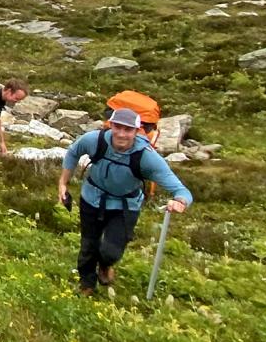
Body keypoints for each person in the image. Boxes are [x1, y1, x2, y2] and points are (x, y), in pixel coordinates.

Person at [59, 105, 192, 295]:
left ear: (137, 131)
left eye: (128, 129)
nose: (121, 134)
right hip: (91, 198)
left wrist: (180, 201)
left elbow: (181, 190)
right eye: (118, 127)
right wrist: (63, 183)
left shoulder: (146, 157)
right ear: (111, 125)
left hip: (124, 206)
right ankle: (87, 284)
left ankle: (105, 265)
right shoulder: (95, 140)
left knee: (110, 251)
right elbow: (73, 152)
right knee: (88, 245)